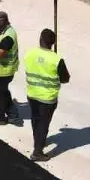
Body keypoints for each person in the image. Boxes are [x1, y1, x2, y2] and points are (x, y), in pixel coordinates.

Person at [23, 29, 70, 162]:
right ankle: (37, 152)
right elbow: (65, 79)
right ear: (53, 43)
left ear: (40, 39)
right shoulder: (56, 59)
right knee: (44, 123)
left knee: (35, 119)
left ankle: (38, 141)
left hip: (32, 94)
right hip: (48, 98)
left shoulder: (30, 53)